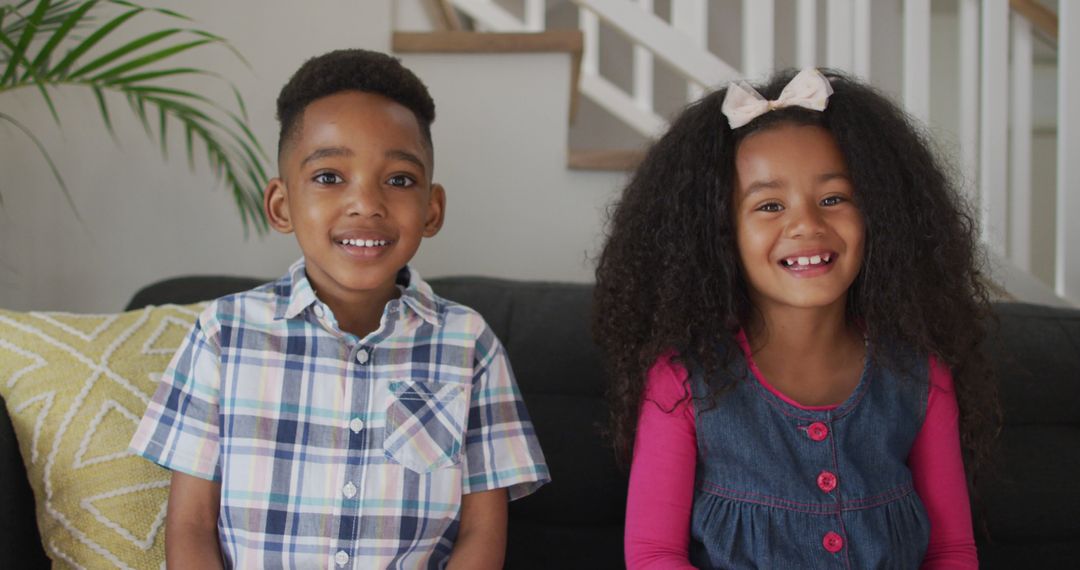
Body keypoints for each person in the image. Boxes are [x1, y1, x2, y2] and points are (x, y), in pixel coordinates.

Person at [130, 49, 549, 569]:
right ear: (281, 205)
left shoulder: (469, 344)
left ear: (432, 210)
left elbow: (481, 531)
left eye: (398, 180)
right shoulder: (224, 334)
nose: (366, 203)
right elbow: (191, 527)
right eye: (330, 177)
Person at [593, 68, 998, 569]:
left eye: (833, 198)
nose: (806, 223)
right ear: (718, 234)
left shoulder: (921, 375)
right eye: (769, 205)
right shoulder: (680, 381)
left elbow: (951, 551)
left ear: (882, 216)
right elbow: (654, 556)